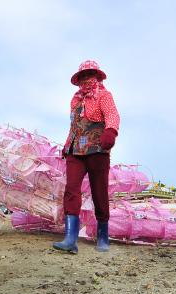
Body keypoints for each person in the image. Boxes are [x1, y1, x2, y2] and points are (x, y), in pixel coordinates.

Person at [53, 60, 120, 253]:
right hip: (76, 151)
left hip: (98, 150)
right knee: (71, 189)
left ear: (97, 76)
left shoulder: (104, 95)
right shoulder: (75, 100)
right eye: (82, 76)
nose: (85, 79)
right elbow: (74, 126)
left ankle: (103, 236)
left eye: (89, 75)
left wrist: (111, 132)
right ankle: (70, 239)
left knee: (99, 191)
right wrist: (67, 145)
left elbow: (113, 115)